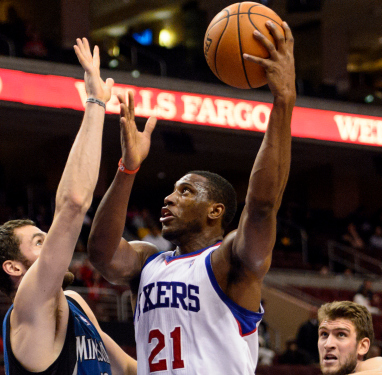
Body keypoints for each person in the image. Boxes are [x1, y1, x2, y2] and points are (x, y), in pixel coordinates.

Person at [87, 21, 295, 374]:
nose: (168, 199)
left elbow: (261, 207)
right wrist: (127, 169)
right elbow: (101, 254)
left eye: (185, 191)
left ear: (216, 210)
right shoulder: (147, 263)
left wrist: (283, 102)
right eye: (171, 191)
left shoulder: (229, 261)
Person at [0, 38, 136, 375]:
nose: (51, 240)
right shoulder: (30, 304)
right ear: (14, 268)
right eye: (38, 241)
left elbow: (128, 368)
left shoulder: (75, 303)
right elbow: (74, 203)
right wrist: (95, 103)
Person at [317, 301, 382, 375]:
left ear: (362, 346)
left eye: (341, 334)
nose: (328, 344)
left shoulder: (373, 366)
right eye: (324, 334)